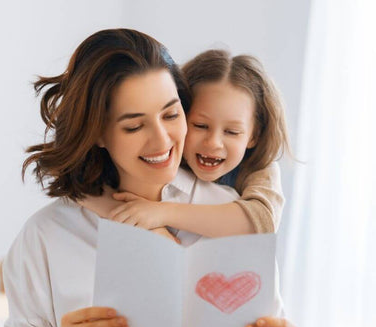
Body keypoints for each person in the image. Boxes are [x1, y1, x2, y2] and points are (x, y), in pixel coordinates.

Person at [0, 29, 312, 327]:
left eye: (171, 115)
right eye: (134, 125)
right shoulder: (48, 236)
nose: (162, 141)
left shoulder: (231, 220)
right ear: (97, 133)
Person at [81, 49, 288, 238]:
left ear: (254, 136)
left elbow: (261, 222)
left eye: (232, 132)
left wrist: (161, 214)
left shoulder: (261, 169)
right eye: (200, 125)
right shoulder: (163, 153)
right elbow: (78, 187)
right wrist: (149, 225)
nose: (214, 143)